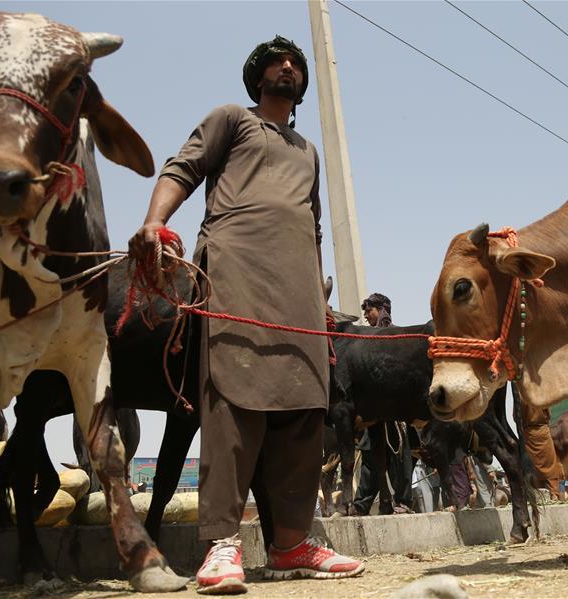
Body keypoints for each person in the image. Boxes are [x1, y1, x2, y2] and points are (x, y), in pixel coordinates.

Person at [129, 36, 363, 594]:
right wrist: (154, 224)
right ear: (258, 76)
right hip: (235, 269)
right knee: (234, 395)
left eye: (296, 63)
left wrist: (321, 299)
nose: (288, 67)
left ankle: (290, 544)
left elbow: (313, 225)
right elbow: (182, 168)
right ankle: (222, 545)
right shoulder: (232, 118)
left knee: (307, 405)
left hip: (300, 288)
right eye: (277, 62)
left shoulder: (307, 150)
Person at [352, 293, 416, 515]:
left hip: (395, 407)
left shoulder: (395, 335)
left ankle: (404, 502)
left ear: (381, 309)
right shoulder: (366, 338)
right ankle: (361, 505)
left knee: (400, 456)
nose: (366, 316)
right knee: (370, 457)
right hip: (373, 407)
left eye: (369, 311)